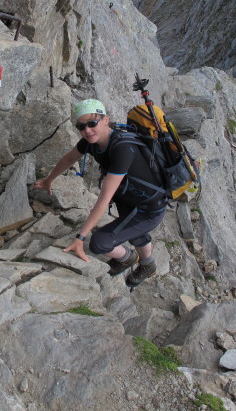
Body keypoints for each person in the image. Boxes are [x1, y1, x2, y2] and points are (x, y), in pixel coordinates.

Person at [33, 99, 167, 287]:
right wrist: (49, 180)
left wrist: (80, 237)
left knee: (99, 243)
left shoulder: (123, 149)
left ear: (106, 120)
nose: (87, 130)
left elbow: (104, 198)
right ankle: (145, 263)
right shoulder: (91, 142)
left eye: (92, 123)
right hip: (131, 199)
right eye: (81, 126)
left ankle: (129, 258)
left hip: (150, 208)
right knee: (136, 233)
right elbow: (69, 158)